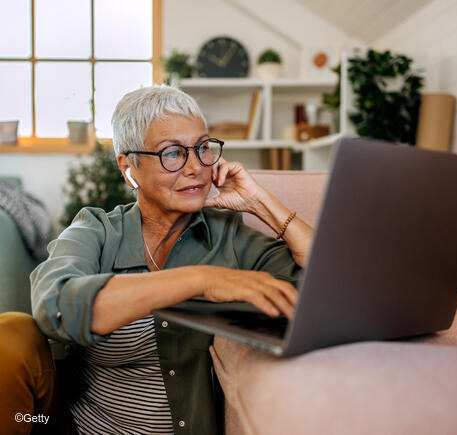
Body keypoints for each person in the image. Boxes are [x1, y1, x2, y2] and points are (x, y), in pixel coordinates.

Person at [0, 85, 313, 434]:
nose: (196, 167)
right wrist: (200, 280)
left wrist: (260, 202)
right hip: (77, 427)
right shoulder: (98, 230)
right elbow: (55, 305)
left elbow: (327, 288)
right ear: (128, 167)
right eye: (173, 153)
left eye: (202, 148)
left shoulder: (229, 237)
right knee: (10, 334)